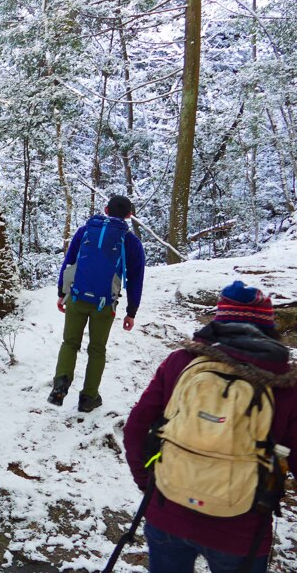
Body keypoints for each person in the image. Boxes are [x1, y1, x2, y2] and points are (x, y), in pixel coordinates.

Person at [122, 282, 297, 573]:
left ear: (219, 318)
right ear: (268, 325)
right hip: (241, 528)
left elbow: (135, 430)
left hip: (168, 509)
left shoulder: (180, 362)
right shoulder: (285, 385)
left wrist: (149, 485)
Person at [48, 194, 145, 412]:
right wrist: (132, 311)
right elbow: (136, 278)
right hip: (105, 304)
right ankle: (88, 398)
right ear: (129, 216)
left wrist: (62, 293)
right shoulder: (131, 242)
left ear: (106, 209)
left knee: (69, 343)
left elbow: (69, 261)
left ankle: (61, 382)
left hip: (77, 296)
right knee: (97, 349)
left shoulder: (85, 231)